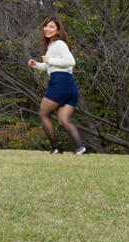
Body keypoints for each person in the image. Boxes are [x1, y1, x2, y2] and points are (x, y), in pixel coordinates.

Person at [28, 15, 88, 155]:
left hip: (59, 83)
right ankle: (81, 148)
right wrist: (36, 65)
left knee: (43, 114)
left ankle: (55, 147)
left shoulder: (59, 44)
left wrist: (50, 60)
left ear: (58, 30)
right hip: (69, 85)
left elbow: (70, 61)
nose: (47, 29)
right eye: (46, 26)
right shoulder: (51, 45)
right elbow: (52, 66)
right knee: (63, 120)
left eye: (51, 27)